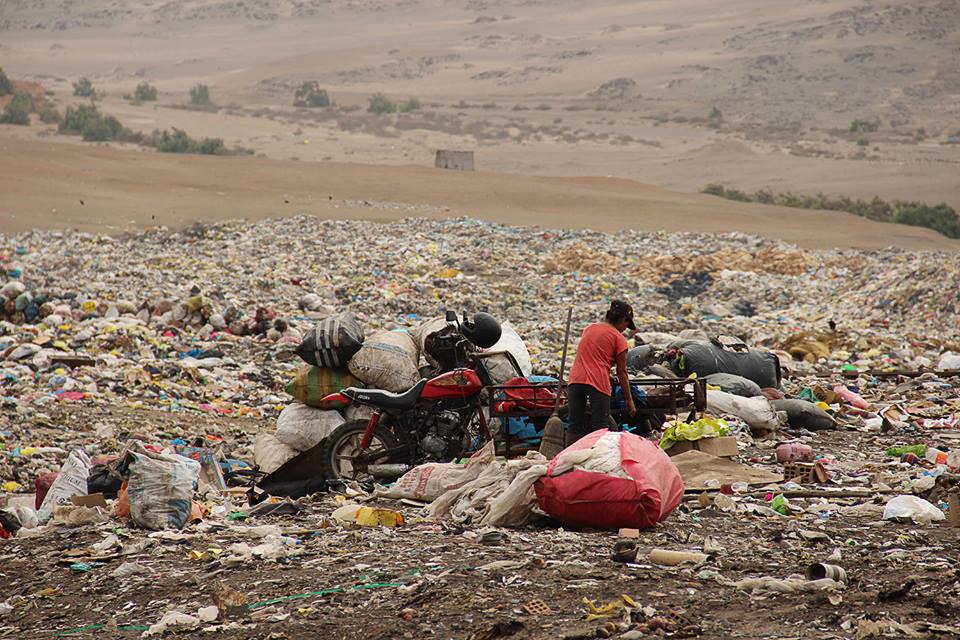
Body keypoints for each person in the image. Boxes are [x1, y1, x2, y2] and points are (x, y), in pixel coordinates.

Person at [565, 299, 637, 443]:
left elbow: (593, 356)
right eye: (626, 324)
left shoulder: (589, 328)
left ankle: (569, 459)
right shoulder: (619, 339)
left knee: (574, 426)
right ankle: (597, 461)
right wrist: (629, 400)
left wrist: (605, 372)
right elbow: (622, 372)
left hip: (575, 380)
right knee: (600, 427)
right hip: (598, 383)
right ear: (623, 320)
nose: (625, 328)